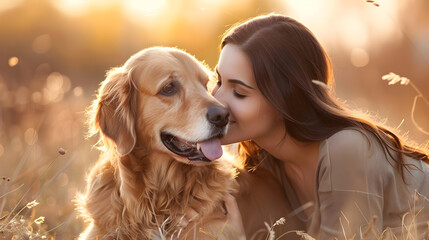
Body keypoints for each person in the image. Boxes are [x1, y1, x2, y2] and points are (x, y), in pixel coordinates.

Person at [213, 13, 429, 239]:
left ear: (284, 98)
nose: (215, 101)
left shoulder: (347, 149)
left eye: (239, 93)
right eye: (218, 81)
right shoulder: (261, 160)